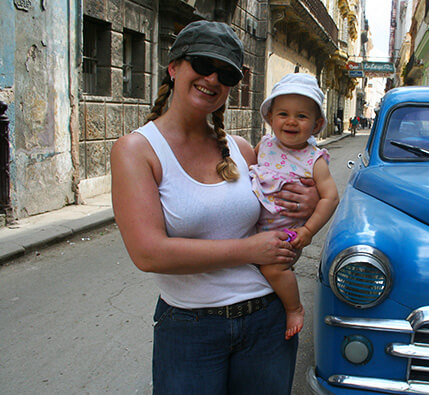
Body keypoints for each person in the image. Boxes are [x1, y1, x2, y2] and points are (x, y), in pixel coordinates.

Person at [110, 20, 319, 394]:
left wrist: (306, 203)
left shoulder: (240, 149)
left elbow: (276, 220)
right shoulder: (137, 150)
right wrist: (248, 250)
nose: (213, 78)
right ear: (174, 67)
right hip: (190, 331)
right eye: (203, 64)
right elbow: (148, 253)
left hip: (267, 323)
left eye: (225, 73)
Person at [251, 73, 339, 340]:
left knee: (273, 268)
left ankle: (294, 308)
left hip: (285, 234)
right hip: (254, 229)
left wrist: (309, 231)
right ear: (270, 118)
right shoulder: (263, 145)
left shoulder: (314, 159)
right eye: (283, 114)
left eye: (301, 116)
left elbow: (330, 197)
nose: (291, 121)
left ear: (316, 124)